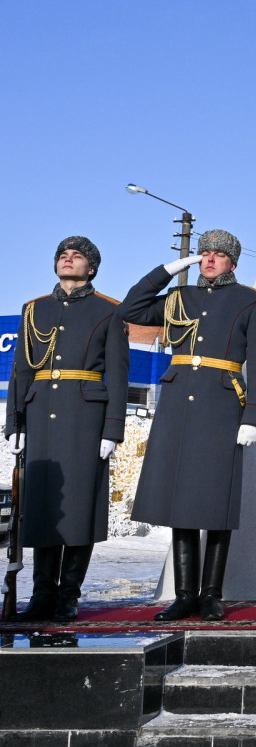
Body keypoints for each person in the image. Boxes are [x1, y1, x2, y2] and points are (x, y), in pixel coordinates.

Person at [119, 230, 256, 621]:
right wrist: (168, 270)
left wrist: (253, 415)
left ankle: (211, 595)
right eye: (203, 253)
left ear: (232, 263)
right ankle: (184, 594)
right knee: (180, 501)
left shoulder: (250, 301)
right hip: (177, 406)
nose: (208, 259)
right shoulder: (177, 298)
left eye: (218, 255)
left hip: (222, 406)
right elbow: (130, 311)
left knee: (216, 502)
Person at [4, 238, 129, 622]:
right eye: (62, 254)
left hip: (85, 418)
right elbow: (22, 370)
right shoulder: (34, 309)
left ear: (91, 268)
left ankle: (68, 596)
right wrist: (15, 423)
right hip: (40, 414)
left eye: (76, 256)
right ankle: (41, 595)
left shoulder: (108, 311)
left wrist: (112, 429)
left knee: (79, 508)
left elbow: (120, 376)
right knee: (41, 508)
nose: (67, 258)